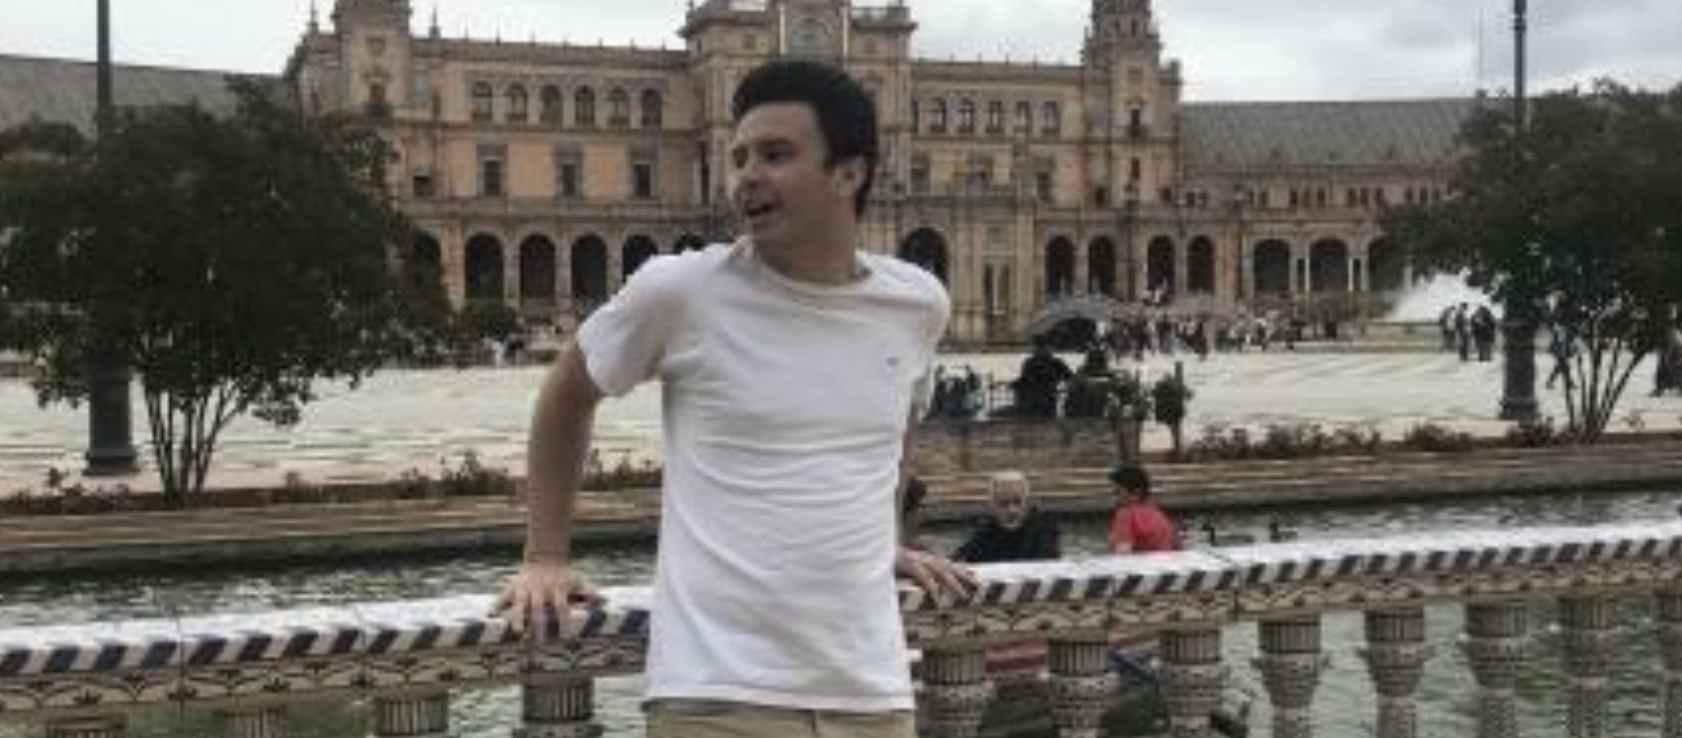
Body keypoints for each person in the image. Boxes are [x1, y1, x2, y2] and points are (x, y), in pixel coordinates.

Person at [493, 59, 975, 738]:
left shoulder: (918, 303)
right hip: (717, 695)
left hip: (873, 693)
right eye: (739, 156)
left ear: (850, 172)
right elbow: (567, 396)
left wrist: (879, 541)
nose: (746, 175)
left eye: (775, 155)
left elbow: (888, 432)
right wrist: (544, 555)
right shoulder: (681, 290)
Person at [952, 471, 1062, 564]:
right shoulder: (984, 533)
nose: (1012, 510)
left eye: (1017, 502)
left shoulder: (1045, 529)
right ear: (992, 505)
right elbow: (957, 559)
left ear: (1027, 501)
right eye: (1003, 504)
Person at [1107, 463, 1179, 553]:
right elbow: (1176, 545)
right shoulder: (1159, 515)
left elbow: (1123, 554)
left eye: (1117, 492)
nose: (1113, 497)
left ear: (1136, 492)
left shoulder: (1125, 515)